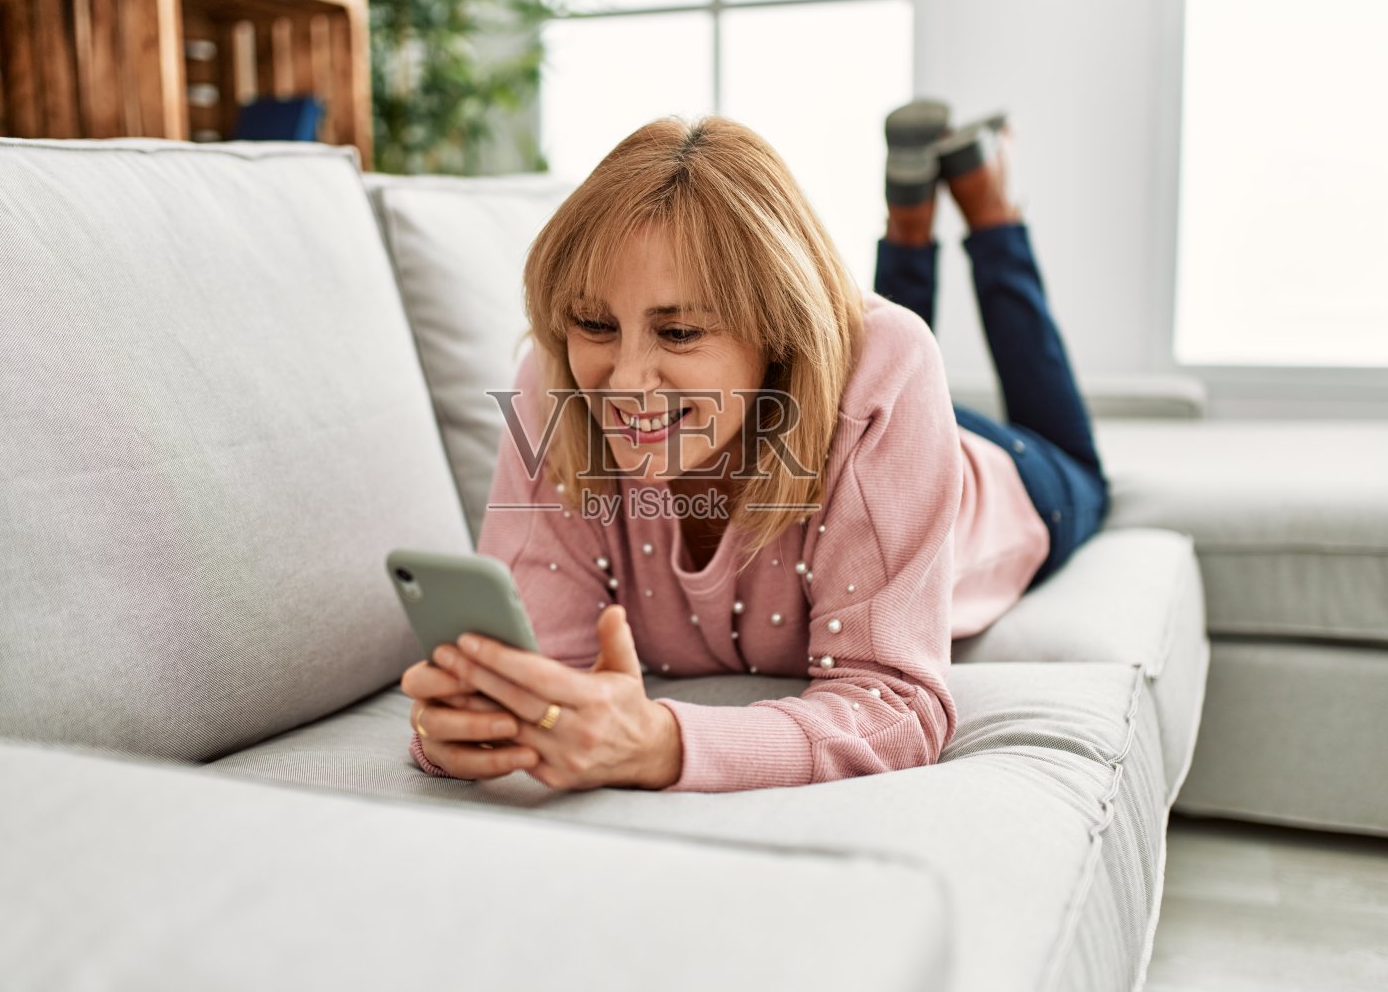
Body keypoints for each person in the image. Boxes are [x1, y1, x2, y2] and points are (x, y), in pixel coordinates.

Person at [401, 102, 1110, 793]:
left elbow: (895, 706)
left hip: (1006, 478)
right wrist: (472, 723)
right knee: (877, 346)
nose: (625, 383)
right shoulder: (554, 383)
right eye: (595, 323)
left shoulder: (888, 372)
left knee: (1071, 455)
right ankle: (909, 225)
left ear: (775, 330)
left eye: (679, 332)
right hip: (850, 405)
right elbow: (541, 672)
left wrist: (662, 744)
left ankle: (987, 213)